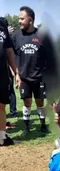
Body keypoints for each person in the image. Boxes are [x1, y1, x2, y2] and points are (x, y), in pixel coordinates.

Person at [11, 6, 53, 136]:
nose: (19, 21)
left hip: (40, 77)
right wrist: (16, 74)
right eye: (19, 18)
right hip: (24, 77)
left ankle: (42, 125)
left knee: (40, 101)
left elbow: (49, 57)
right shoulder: (15, 37)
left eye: (22, 19)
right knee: (27, 102)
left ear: (31, 20)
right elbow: (11, 56)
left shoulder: (41, 35)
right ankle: (26, 127)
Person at [0, 17, 20, 146]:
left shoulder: (2, 24)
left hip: (1, 71)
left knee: (1, 105)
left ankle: (2, 137)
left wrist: (16, 72)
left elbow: (9, 51)